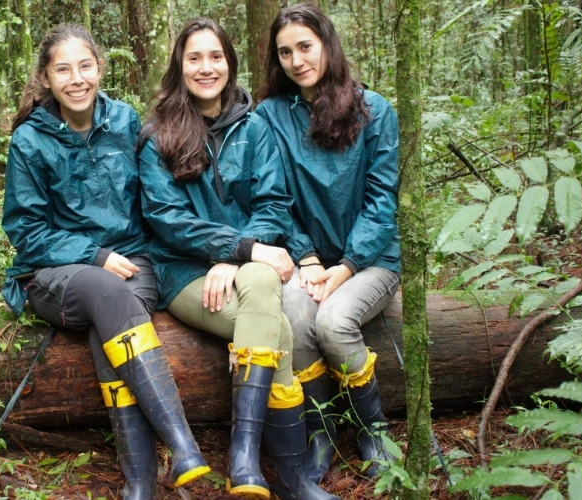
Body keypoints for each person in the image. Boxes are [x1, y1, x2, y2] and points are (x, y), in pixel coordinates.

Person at [0, 23, 210, 499]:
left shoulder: (125, 120)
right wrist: (95, 255)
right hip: (55, 275)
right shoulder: (30, 142)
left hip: (135, 264)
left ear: (100, 68)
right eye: (63, 70)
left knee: (107, 332)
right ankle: (182, 443)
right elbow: (26, 232)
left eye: (85, 66)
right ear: (46, 79)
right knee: (105, 292)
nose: (77, 79)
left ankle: (139, 481)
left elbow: (152, 201)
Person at [138, 17, 339, 500]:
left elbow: (273, 204)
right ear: (179, 66)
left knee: (264, 290)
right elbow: (167, 219)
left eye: (215, 57)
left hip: (245, 270)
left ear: (229, 63)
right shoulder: (157, 134)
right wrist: (238, 251)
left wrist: (236, 257)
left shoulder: (256, 127)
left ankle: (246, 456)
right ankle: (287, 476)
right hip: (183, 273)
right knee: (277, 323)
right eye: (194, 58)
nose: (206, 68)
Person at [255, 2, 401, 481]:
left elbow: (382, 201)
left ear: (326, 45)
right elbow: (275, 197)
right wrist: (308, 258)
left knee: (335, 322)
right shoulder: (272, 116)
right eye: (285, 53)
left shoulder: (375, 110)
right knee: (295, 317)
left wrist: (347, 266)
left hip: (371, 259)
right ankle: (321, 430)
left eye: (305, 47)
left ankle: (371, 427)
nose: (297, 61)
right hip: (308, 260)